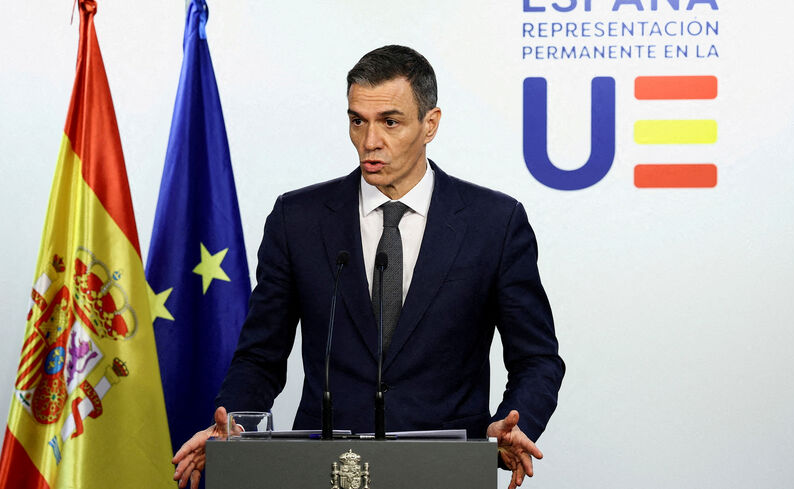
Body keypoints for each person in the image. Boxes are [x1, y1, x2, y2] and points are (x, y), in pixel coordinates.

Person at [172, 45, 564, 489]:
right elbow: (260, 356)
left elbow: (537, 359)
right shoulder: (297, 219)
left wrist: (511, 423)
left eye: (389, 122)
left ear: (430, 124)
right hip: (323, 471)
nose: (370, 140)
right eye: (358, 120)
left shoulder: (494, 223)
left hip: (444, 471)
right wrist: (233, 422)